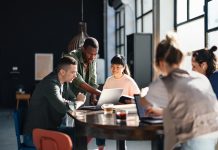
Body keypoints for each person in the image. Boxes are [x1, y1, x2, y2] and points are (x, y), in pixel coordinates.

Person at [141, 33, 218, 150]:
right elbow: (191, 109)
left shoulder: (164, 82)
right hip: (212, 140)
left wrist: (145, 92)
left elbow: (143, 103)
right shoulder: (201, 78)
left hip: (192, 143)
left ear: (160, 62)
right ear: (181, 58)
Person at [23, 56, 85, 148]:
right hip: (36, 135)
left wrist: (71, 102)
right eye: (73, 72)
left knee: (80, 134)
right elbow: (63, 108)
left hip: (52, 130)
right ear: (62, 72)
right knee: (72, 140)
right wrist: (80, 102)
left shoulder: (64, 83)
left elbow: (72, 100)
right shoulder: (50, 84)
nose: (75, 76)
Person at [96, 54, 140, 150]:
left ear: (123, 67)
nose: (114, 69)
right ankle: (100, 147)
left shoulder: (129, 81)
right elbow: (104, 97)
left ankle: (122, 147)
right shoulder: (109, 80)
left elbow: (138, 100)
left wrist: (128, 101)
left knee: (120, 127)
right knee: (98, 120)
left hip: (124, 113)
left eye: (117, 67)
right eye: (112, 66)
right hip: (110, 111)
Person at [65, 37, 101, 104]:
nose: (92, 57)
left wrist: (94, 98)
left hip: (81, 100)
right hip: (67, 98)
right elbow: (78, 80)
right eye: (90, 54)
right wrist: (99, 93)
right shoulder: (72, 57)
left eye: (95, 54)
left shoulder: (92, 59)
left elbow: (93, 81)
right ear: (83, 49)